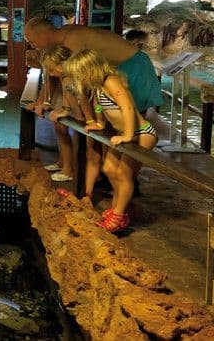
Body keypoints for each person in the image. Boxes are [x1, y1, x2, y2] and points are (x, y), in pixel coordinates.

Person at [63, 49, 158, 233]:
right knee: (108, 169)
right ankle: (117, 208)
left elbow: (128, 108)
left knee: (123, 173)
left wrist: (128, 135)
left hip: (141, 133)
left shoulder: (111, 81)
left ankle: (118, 214)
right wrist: (99, 122)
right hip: (124, 134)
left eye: (78, 75)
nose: (77, 79)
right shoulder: (99, 86)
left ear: (89, 70)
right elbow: (100, 105)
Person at [24, 18, 163, 114]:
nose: (32, 46)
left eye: (32, 41)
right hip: (119, 71)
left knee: (133, 124)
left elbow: (66, 76)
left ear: (43, 35)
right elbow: (53, 72)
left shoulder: (73, 39)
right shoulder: (63, 35)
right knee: (115, 122)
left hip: (135, 67)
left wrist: (63, 108)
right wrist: (41, 101)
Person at [39, 46, 95, 182]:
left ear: (64, 63)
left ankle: (76, 174)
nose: (51, 74)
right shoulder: (65, 77)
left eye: (52, 69)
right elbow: (66, 94)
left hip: (89, 118)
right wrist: (65, 109)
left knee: (90, 148)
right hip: (80, 116)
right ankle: (69, 168)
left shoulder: (75, 76)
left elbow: (83, 99)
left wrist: (86, 119)